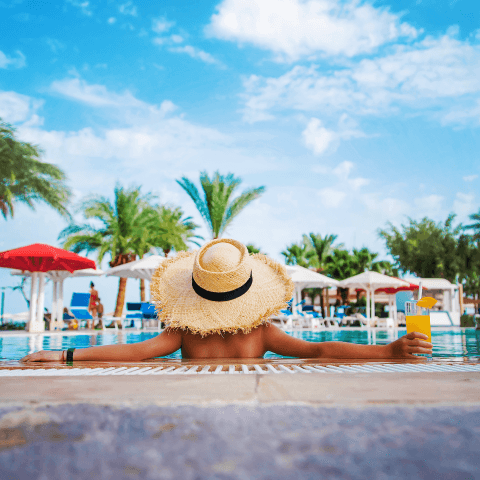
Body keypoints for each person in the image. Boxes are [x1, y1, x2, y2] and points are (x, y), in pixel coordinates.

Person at [21, 239, 432, 363]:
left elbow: (133, 352)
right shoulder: (262, 333)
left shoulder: (181, 333)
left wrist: (65, 357)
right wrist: (388, 350)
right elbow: (320, 349)